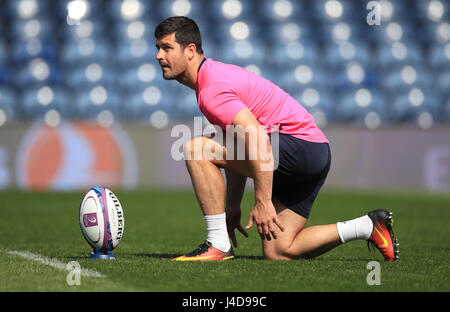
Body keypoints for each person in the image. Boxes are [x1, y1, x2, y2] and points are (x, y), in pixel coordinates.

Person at [154, 16, 399, 262]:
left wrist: (262, 201)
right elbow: (240, 144)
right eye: (158, 48)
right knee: (279, 250)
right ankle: (368, 226)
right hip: (314, 151)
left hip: (298, 148)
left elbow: (256, 137)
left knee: (197, 149)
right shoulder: (212, 79)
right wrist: (233, 207)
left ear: (190, 51)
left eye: (167, 48)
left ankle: (217, 245)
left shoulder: (211, 89)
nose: (159, 56)